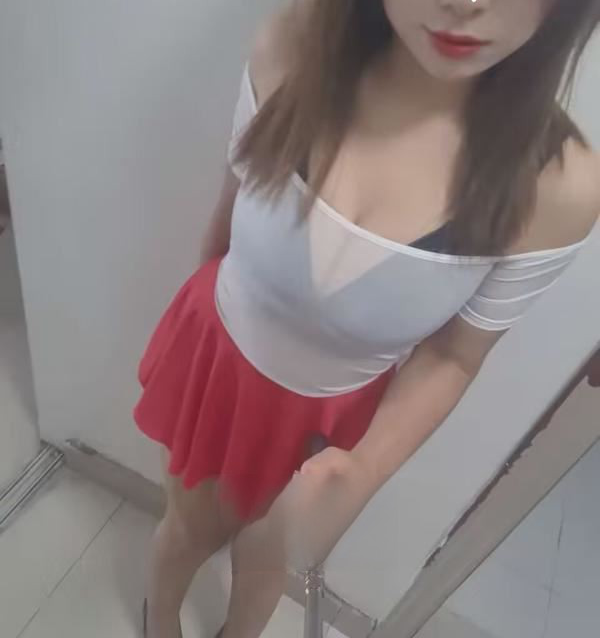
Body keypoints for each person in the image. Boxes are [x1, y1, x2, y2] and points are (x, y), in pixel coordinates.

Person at [134, 1, 600, 636]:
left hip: (332, 422)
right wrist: (204, 351)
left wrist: (362, 470)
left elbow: (454, 355)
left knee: (267, 561)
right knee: (188, 529)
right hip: (223, 361)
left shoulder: (557, 185)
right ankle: (158, 617)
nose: (465, 3)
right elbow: (228, 217)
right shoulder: (294, 48)